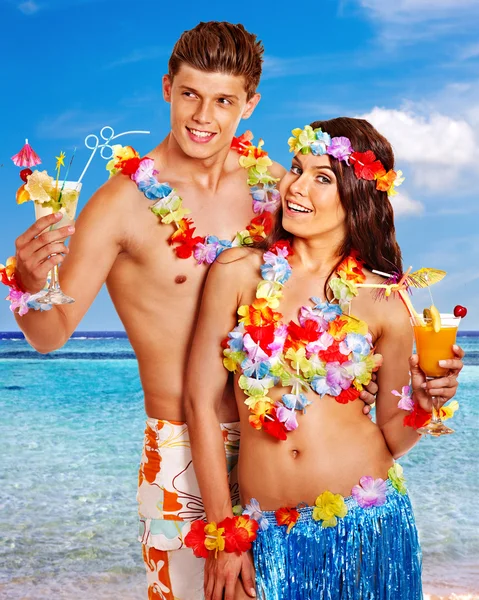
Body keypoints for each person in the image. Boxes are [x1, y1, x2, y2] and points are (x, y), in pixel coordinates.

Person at [3, 23, 384, 600]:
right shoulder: (120, 206)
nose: (203, 116)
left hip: (278, 444)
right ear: (167, 89)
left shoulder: (274, 187)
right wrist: (30, 284)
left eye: (224, 100)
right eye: (190, 94)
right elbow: (51, 335)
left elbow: (337, 286)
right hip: (180, 450)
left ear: (249, 104)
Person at [184, 118, 465, 600]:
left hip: (367, 528)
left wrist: (425, 403)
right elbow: (199, 404)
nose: (295, 186)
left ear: (357, 195)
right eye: (296, 168)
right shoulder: (238, 271)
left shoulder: (383, 298)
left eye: (322, 177)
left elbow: (393, 434)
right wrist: (225, 536)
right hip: (264, 531)